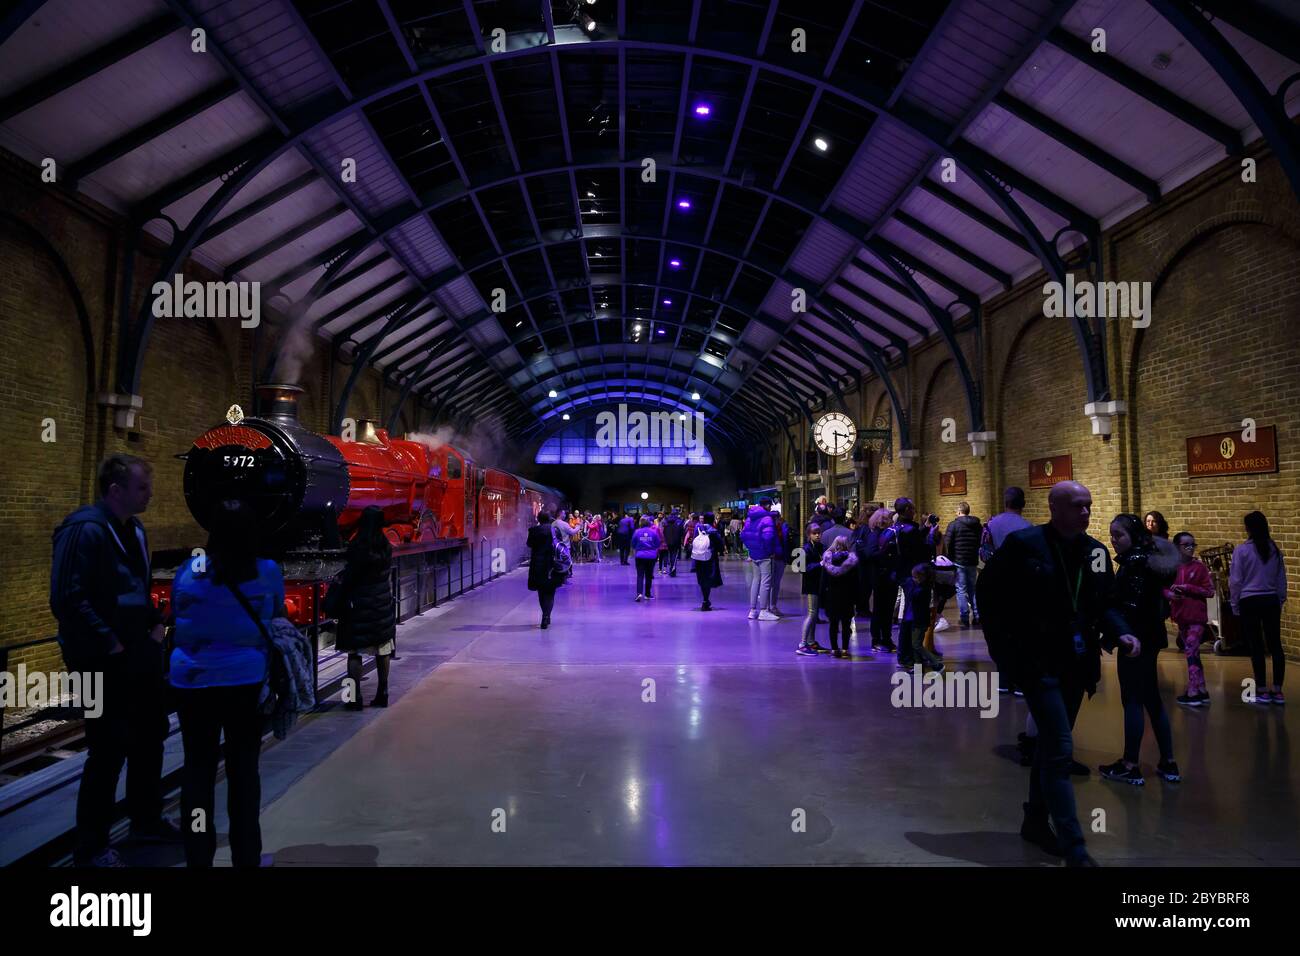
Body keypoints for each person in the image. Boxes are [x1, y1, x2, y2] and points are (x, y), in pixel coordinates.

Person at [977, 481, 1138, 867]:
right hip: (1036, 662)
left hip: (1076, 663)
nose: (1086, 513)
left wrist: (1122, 631)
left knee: (1050, 748)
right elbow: (989, 595)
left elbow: (1106, 602)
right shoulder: (1025, 546)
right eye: (1077, 506)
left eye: (1089, 506)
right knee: (1061, 749)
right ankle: (1075, 848)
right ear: (1054, 507)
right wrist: (1004, 654)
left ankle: (1035, 821)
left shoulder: (1095, 553)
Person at [50, 453, 178, 868]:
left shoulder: (134, 528)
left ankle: (146, 819)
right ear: (116, 490)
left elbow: (135, 590)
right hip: (98, 659)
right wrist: (110, 643)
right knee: (106, 749)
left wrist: (153, 631)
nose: (151, 494)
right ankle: (91, 848)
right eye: (142, 487)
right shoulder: (83, 529)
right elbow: (67, 596)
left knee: (150, 735)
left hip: (138, 651)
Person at [169, 498, 281, 867]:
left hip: (192, 682)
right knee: (243, 771)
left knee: (197, 771)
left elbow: (178, 609)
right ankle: (245, 857)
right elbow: (275, 616)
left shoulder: (190, 569)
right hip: (243, 683)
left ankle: (197, 858)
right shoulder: (265, 570)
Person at [1099, 514, 1180, 786]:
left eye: (1118, 535)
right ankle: (1168, 761)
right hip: (1151, 637)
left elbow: (1129, 605)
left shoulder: (1134, 564)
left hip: (1135, 639)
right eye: (1111, 534)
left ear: (1132, 537)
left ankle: (1130, 764)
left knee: (1132, 700)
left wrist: (1121, 631)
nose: (1113, 539)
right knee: (1152, 699)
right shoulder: (1152, 562)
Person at [325, 506, 396, 710]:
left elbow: (349, 578)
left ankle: (353, 698)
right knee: (383, 649)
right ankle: (383, 693)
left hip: (358, 607)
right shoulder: (385, 546)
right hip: (381, 606)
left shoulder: (357, 547)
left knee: (354, 653)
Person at [1230, 511, 1288, 704]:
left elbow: (1236, 580)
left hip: (1249, 601)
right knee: (1275, 645)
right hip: (1270, 600)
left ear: (1248, 528)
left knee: (1256, 646)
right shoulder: (1274, 550)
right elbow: (1281, 578)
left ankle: (1262, 688)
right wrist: (1280, 598)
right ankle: (1278, 690)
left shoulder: (1242, 551)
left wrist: (1234, 603)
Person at [878, 498, 932, 669]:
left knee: (909, 615)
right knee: (911, 617)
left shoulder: (896, 529)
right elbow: (921, 551)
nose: (915, 510)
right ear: (907, 509)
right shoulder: (910, 530)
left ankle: (908, 654)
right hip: (913, 576)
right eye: (913, 507)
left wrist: (924, 530)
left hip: (900, 574)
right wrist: (930, 538)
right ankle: (907, 655)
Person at [1166, 532, 1214, 706]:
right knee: (1193, 652)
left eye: (1193, 545)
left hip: (1196, 618)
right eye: (1186, 545)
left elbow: (1209, 591)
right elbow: (1163, 589)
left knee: (1190, 652)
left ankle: (1193, 691)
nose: (1190, 548)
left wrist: (1187, 588)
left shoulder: (1199, 567)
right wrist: (1171, 594)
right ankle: (1202, 688)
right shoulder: (1173, 568)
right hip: (1181, 616)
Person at [863, 507, 897, 652]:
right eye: (889, 518)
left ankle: (886, 638)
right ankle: (876, 639)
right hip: (879, 576)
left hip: (889, 575)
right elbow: (870, 554)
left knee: (888, 609)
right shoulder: (874, 535)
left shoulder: (888, 534)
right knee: (879, 609)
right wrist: (886, 552)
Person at [943, 502, 982, 627]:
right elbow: (980, 540)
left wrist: (949, 558)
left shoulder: (953, 525)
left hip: (959, 561)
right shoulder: (977, 525)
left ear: (959, 512)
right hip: (972, 560)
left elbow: (947, 543)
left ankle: (964, 618)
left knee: (961, 590)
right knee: (973, 589)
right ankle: (977, 615)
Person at [527, 508, 566, 628]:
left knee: (541, 592)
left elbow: (529, 544)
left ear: (538, 519)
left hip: (537, 565)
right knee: (550, 592)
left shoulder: (533, 530)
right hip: (551, 565)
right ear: (550, 519)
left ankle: (545, 614)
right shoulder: (554, 530)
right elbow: (559, 544)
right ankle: (546, 616)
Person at [741, 499, 779, 620]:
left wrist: (751, 548)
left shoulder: (749, 518)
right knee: (766, 582)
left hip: (754, 553)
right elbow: (768, 537)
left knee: (755, 580)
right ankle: (763, 610)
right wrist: (769, 551)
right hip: (764, 554)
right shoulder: (767, 519)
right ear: (767, 506)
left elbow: (743, 535)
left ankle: (752, 610)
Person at [820, 538, 859, 658]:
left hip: (832, 596)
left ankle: (834, 649)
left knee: (833, 624)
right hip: (847, 597)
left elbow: (823, 582)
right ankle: (845, 650)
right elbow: (856, 582)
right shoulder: (852, 562)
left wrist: (822, 598)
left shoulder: (827, 561)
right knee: (846, 625)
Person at [797, 523, 828, 656]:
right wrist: (819, 564)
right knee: (811, 613)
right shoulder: (806, 549)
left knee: (814, 615)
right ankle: (803, 644)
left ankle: (811, 641)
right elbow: (802, 568)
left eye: (819, 533)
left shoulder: (820, 547)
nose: (817, 535)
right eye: (814, 533)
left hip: (819, 584)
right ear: (809, 535)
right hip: (811, 585)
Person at [690, 512, 725, 610]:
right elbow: (720, 546)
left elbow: (694, 542)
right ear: (713, 519)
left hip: (698, 558)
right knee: (708, 579)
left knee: (701, 579)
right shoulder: (713, 530)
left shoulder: (698, 529)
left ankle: (705, 599)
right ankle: (706, 600)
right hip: (710, 559)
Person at [632, 516, 663, 601]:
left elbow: (633, 543)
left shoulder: (637, 532)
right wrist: (652, 549)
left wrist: (638, 548)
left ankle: (639, 593)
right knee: (649, 575)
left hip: (640, 556)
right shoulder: (653, 532)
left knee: (640, 575)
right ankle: (648, 594)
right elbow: (657, 543)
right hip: (651, 557)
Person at [770, 512, 793, 616]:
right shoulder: (771, 528)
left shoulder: (783, 528)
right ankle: (769, 607)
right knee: (771, 584)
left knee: (776, 583)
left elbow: (786, 543)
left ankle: (772, 606)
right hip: (772, 558)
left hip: (779, 558)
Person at [663, 509, 685, 576]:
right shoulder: (680, 521)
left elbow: (664, 532)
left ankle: (670, 568)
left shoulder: (666, 521)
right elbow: (682, 533)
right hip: (676, 541)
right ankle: (673, 570)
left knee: (669, 554)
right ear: (677, 513)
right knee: (674, 556)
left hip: (668, 541)